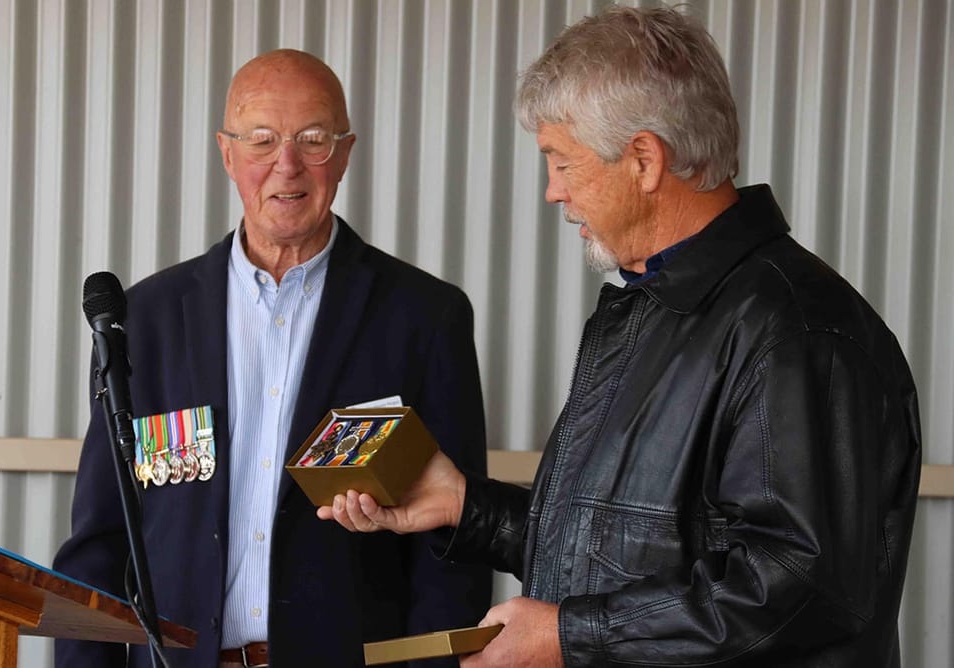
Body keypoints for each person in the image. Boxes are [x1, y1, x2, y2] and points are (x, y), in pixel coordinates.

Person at [320, 6, 922, 667]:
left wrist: (567, 637)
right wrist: (468, 507)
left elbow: (797, 588)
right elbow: (628, 557)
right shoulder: (652, 312)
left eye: (562, 161)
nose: (553, 191)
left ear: (643, 159)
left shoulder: (797, 332)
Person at [54, 49, 491, 667]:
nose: (286, 166)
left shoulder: (424, 317)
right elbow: (100, 542)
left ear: (344, 152)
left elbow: (452, 548)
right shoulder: (147, 319)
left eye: (312, 139)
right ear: (227, 153)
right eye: (261, 140)